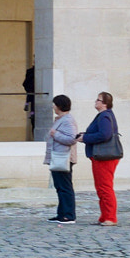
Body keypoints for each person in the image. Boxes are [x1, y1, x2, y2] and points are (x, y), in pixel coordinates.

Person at [80, 92, 122, 224]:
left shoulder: (104, 116)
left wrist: (85, 138)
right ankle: (104, 216)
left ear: (104, 103)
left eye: (98, 100)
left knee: (105, 187)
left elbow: (105, 135)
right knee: (101, 187)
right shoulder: (104, 115)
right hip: (101, 156)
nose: (95, 102)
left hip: (105, 156)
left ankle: (110, 217)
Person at [43, 94, 78, 225]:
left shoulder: (67, 120)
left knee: (65, 187)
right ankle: (61, 213)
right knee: (59, 186)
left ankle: (69, 215)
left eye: (54, 104)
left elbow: (71, 139)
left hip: (64, 158)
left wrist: (55, 134)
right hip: (57, 157)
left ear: (59, 106)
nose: (53, 107)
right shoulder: (60, 119)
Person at [23, 65, 37, 136]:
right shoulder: (30, 71)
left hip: (41, 98)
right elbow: (25, 84)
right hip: (32, 97)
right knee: (33, 120)